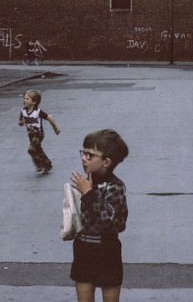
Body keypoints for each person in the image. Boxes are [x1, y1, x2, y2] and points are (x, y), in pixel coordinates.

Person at [70, 129, 129, 302]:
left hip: (107, 249)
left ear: (106, 162)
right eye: (83, 153)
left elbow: (110, 223)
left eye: (90, 155)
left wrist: (88, 193)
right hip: (83, 247)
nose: (84, 158)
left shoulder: (115, 187)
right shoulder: (85, 182)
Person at [18, 89, 60, 174]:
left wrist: (56, 129)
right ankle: (47, 164)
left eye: (27, 99)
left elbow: (50, 118)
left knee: (31, 149)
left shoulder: (38, 112)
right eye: (24, 99)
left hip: (38, 134)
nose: (24, 100)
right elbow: (20, 122)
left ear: (34, 102)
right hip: (30, 134)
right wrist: (21, 122)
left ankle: (41, 165)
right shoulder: (23, 111)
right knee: (38, 150)